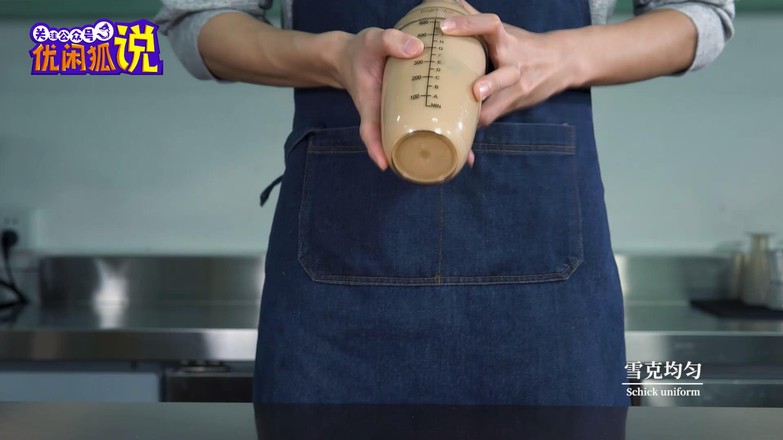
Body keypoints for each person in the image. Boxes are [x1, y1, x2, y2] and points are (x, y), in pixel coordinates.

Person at [156, 0, 734, 405]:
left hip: (545, 303)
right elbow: (197, 22)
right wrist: (332, 56)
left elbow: (701, 14)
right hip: (336, 304)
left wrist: (560, 57)